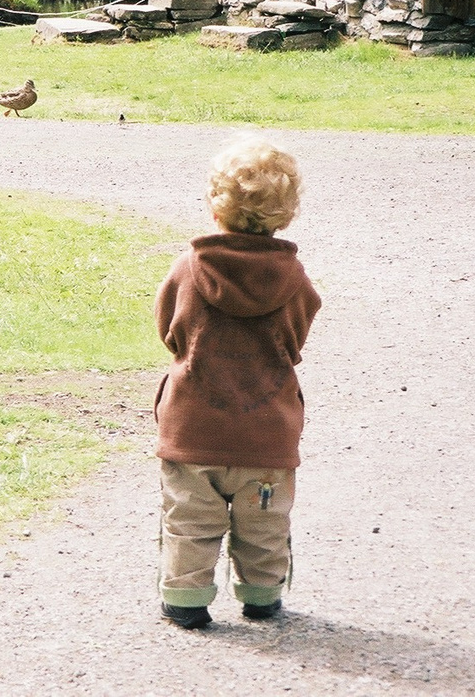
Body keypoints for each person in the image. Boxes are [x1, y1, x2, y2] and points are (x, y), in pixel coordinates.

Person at [153, 136, 321, 629]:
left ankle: (186, 601)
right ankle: (262, 595)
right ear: (285, 215)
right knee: (265, 520)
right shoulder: (291, 276)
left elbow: (170, 329)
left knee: (189, 519)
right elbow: (297, 336)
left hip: (193, 426)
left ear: (214, 207)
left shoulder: (190, 268)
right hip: (266, 428)